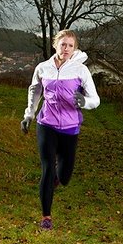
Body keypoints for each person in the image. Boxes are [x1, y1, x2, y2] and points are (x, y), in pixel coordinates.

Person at [20, 29, 100, 230]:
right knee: (47, 169)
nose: (66, 49)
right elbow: (35, 90)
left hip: (70, 128)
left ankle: (57, 178)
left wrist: (84, 102)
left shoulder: (80, 70)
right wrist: (29, 115)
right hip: (46, 124)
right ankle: (46, 217)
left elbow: (95, 100)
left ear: (75, 48)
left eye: (70, 45)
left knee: (64, 177)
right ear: (56, 45)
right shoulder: (43, 68)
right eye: (63, 44)